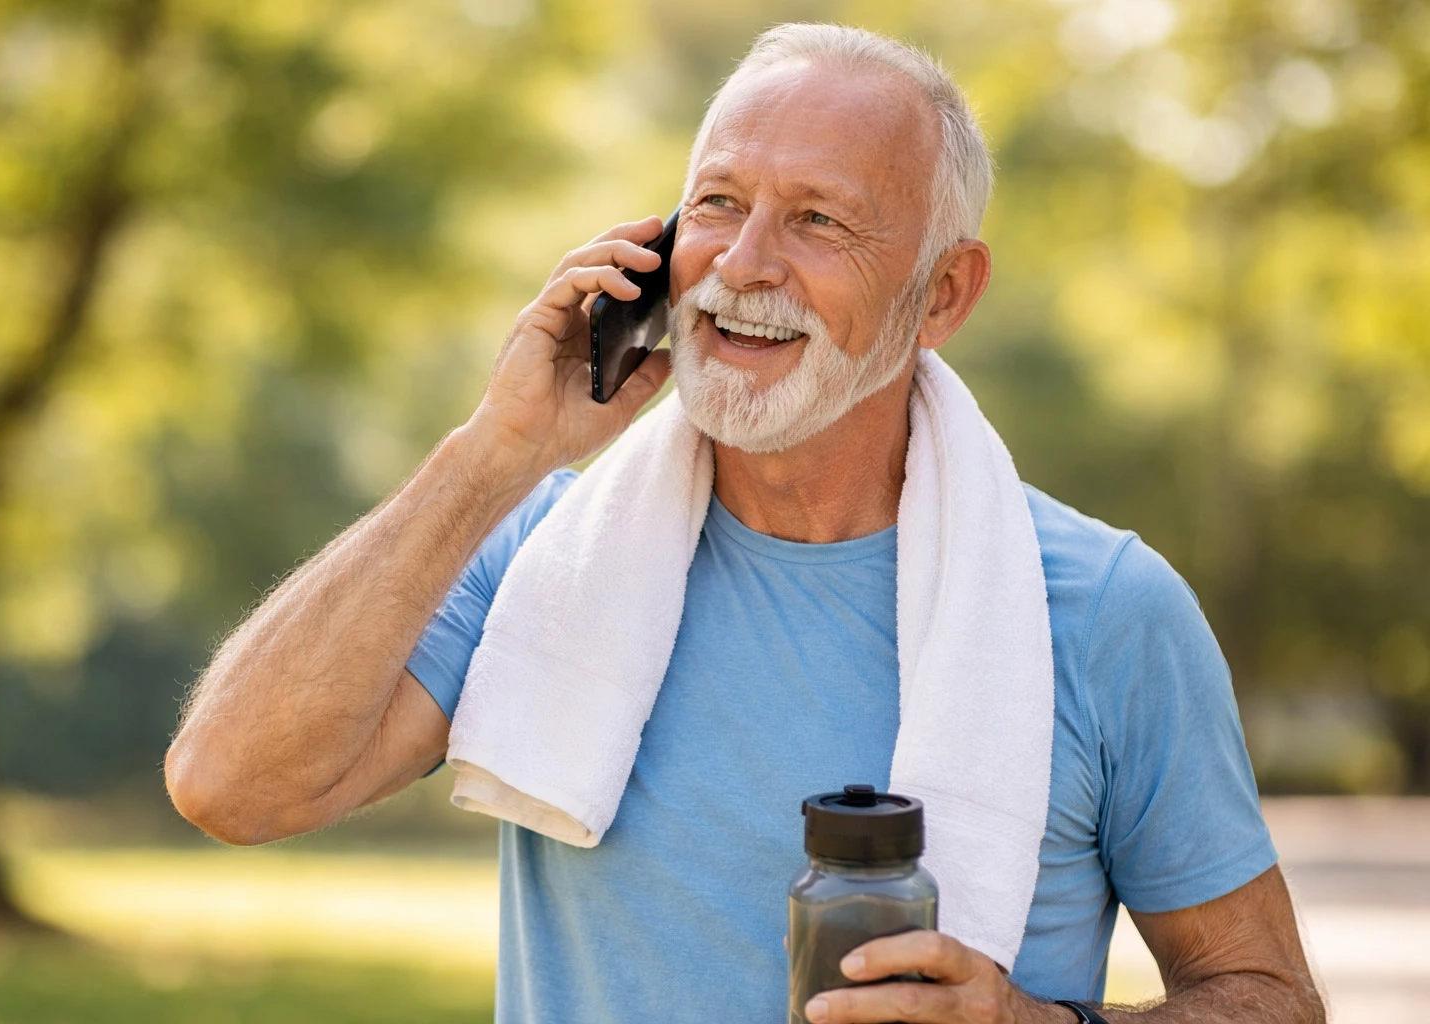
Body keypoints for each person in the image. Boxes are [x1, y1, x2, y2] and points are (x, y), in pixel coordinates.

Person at [165, 23, 1325, 1024]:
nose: (742, 264)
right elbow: (230, 786)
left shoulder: (1108, 609)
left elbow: (1270, 996)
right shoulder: (539, 551)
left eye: (820, 221)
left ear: (944, 295)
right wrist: (494, 453)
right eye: (718, 203)